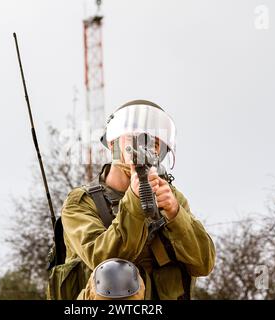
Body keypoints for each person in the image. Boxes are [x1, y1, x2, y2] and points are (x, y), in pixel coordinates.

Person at [60, 100, 215, 300]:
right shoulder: (81, 202)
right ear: (113, 144)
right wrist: (134, 201)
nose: (145, 147)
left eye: (154, 142)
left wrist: (176, 214)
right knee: (115, 276)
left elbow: (203, 263)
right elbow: (103, 260)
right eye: (135, 138)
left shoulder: (171, 197)